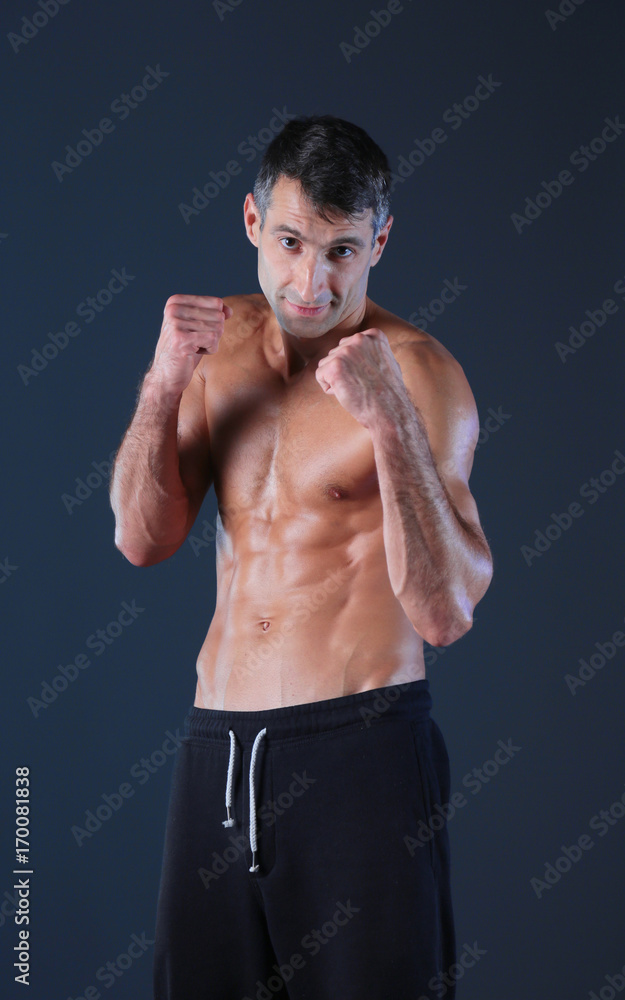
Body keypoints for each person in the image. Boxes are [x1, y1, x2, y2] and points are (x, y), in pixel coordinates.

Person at [109, 114, 493, 1000]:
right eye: (289, 243)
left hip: (356, 754)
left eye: (341, 252)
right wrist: (165, 381)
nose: (311, 281)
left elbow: (446, 612)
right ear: (251, 223)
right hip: (217, 756)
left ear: (379, 243)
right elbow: (139, 539)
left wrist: (388, 419)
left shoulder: (418, 371)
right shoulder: (213, 350)